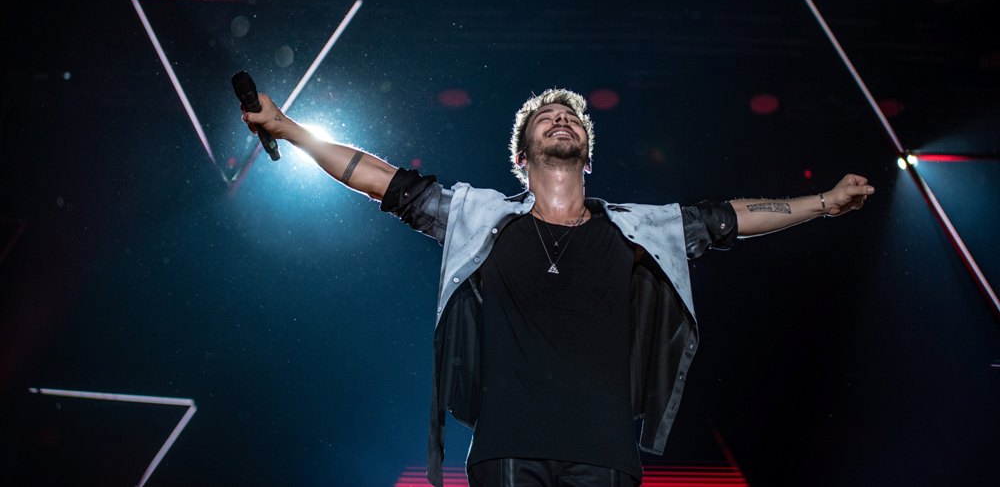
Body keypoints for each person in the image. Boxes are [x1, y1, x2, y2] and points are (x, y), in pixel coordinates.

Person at [240, 87, 873, 487]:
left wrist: (824, 202)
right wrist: (290, 128)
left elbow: (729, 218)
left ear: (587, 154)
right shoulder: (481, 217)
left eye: (570, 117)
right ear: (522, 156)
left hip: (606, 453)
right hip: (507, 449)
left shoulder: (638, 229)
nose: (561, 120)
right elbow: (382, 180)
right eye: (546, 117)